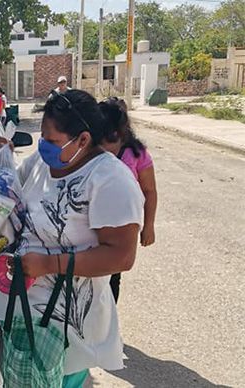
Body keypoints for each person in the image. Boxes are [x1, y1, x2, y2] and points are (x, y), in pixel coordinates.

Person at [0, 89, 144, 387]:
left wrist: (49, 265)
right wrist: (2, 162)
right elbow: (19, 199)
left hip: (69, 324)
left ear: (83, 140)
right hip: (23, 309)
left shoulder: (110, 180)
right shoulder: (41, 162)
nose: (43, 146)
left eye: (52, 141)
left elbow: (121, 256)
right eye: (43, 139)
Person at [100, 96, 157, 303]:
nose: (102, 146)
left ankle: (108, 320)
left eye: (107, 139)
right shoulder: (91, 149)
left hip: (121, 226)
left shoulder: (136, 153)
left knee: (113, 276)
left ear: (119, 133)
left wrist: (148, 226)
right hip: (93, 223)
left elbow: (150, 190)